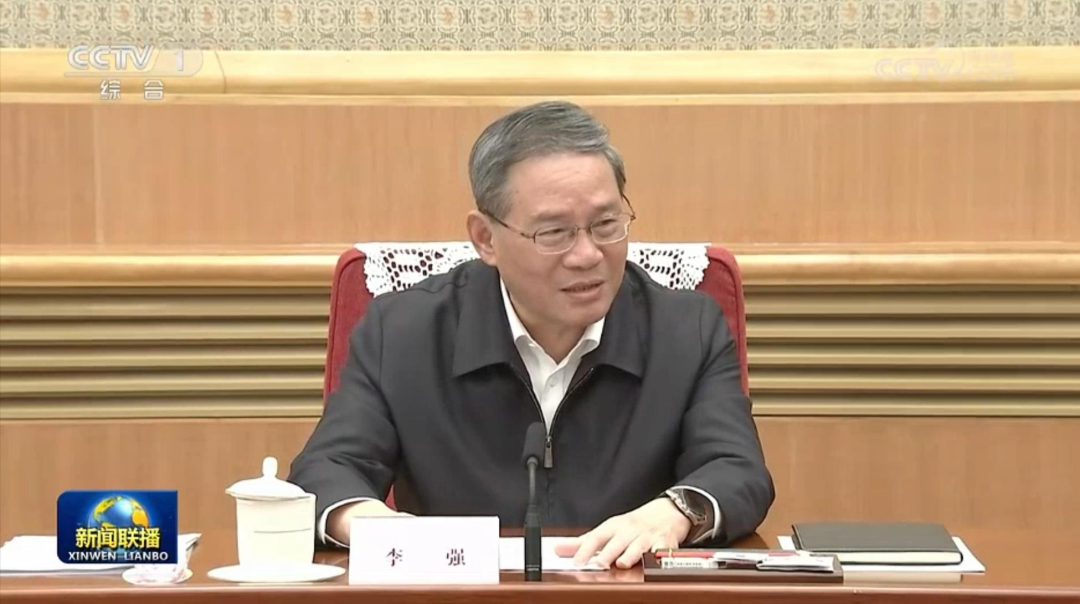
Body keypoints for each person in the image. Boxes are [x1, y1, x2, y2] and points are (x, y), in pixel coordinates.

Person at [288, 100, 774, 570]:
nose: (587, 255)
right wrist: (380, 528)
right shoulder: (404, 333)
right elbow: (325, 471)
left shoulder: (686, 331)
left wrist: (674, 513)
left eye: (606, 224)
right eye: (554, 233)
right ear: (486, 239)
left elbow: (738, 470)